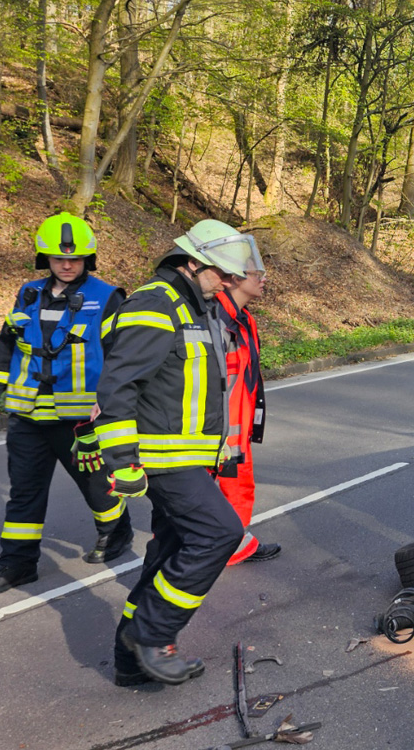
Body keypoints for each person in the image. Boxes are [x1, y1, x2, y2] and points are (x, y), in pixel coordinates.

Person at [95, 219, 261, 687]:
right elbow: (118, 386)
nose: (228, 282)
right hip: (162, 458)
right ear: (192, 262)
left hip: (190, 457)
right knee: (219, 533)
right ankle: (152, 635)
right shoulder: (155, 303)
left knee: (167, 554)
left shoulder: (194, 306)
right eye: (222, 273)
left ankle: (129, 661)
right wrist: (123, 460)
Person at [0, 213, 133, 598]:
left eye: (75, 258)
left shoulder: (108, 297)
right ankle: (17, 563)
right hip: (27, 414)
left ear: (88, 259)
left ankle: (116, 530)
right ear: (44, 257)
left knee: (95, 484)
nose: (67, 264)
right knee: (24, 491)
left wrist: (110, 403)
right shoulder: (28, 293)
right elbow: (7, 345)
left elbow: (121, 357)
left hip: (80, 418)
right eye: (59, 258)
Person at [215, 258, 280, 565]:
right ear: (233, 278)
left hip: (236, 425)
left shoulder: (243, 319)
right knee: (189, 494)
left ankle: (234, 544)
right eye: (257, 273)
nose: (264, 279)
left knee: (238, 487)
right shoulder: (212, 318)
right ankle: (180, 549)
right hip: (212, 428)